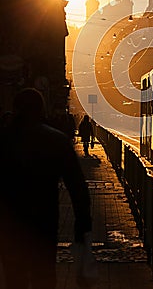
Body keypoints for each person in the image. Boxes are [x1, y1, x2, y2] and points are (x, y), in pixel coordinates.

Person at [0, 88, 92, 289]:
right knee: (44, 276)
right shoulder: (56, 140)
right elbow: (77, 187)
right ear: (41, 110)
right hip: (44, 222)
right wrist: (82, 224)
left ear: (15, 109)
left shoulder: (4, 140)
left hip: (10, 226)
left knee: (15, 278)